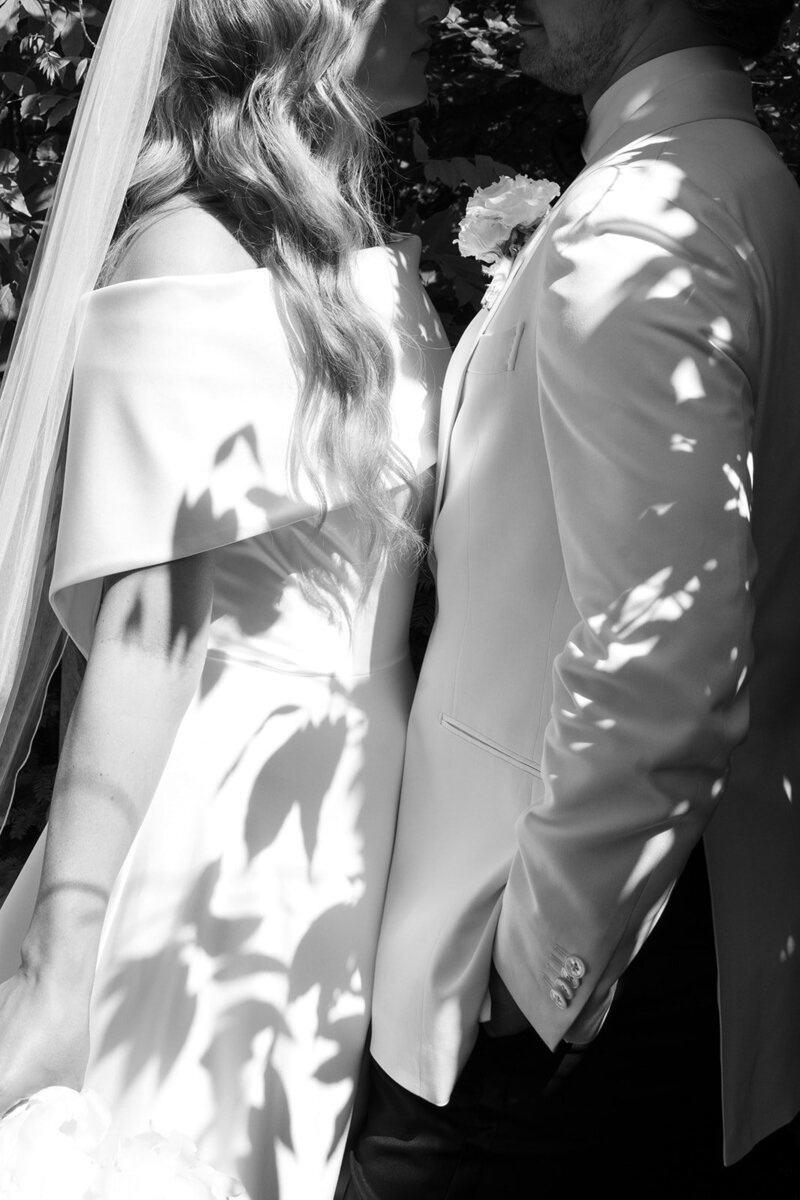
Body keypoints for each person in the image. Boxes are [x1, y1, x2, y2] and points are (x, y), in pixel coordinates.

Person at [345, 0, 800, 1195]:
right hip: (691, 942)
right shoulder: (743, 182)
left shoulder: (636, 224)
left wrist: (534, 973)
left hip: (550, 988)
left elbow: (665, 653)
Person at [0, 0, 449, 1196]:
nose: (435, 9)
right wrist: (60, 965)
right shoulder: (191, 256)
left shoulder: (324, 255)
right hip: (216, 837)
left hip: (332, 820)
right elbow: (145, 635)